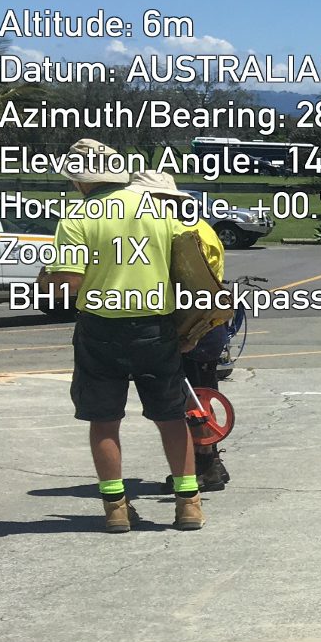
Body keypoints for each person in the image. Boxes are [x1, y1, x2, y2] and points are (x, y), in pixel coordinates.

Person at [37, 138, 203, 531]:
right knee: (170, 417)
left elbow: (69, 282)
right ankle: (188, 503)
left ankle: (115, 508)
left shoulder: (77, 217)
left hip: (100, 329)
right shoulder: (158, 211)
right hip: (155, 326)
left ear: (80, 181)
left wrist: (47, 276)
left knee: (105, 420)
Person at [131, 169, 232, 491]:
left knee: (193, 401)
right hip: (208, 321)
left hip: (192, 324)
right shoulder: (197, 226)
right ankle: (212, 462)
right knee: (201, 393)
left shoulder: (178, 233)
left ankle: (204, 469)